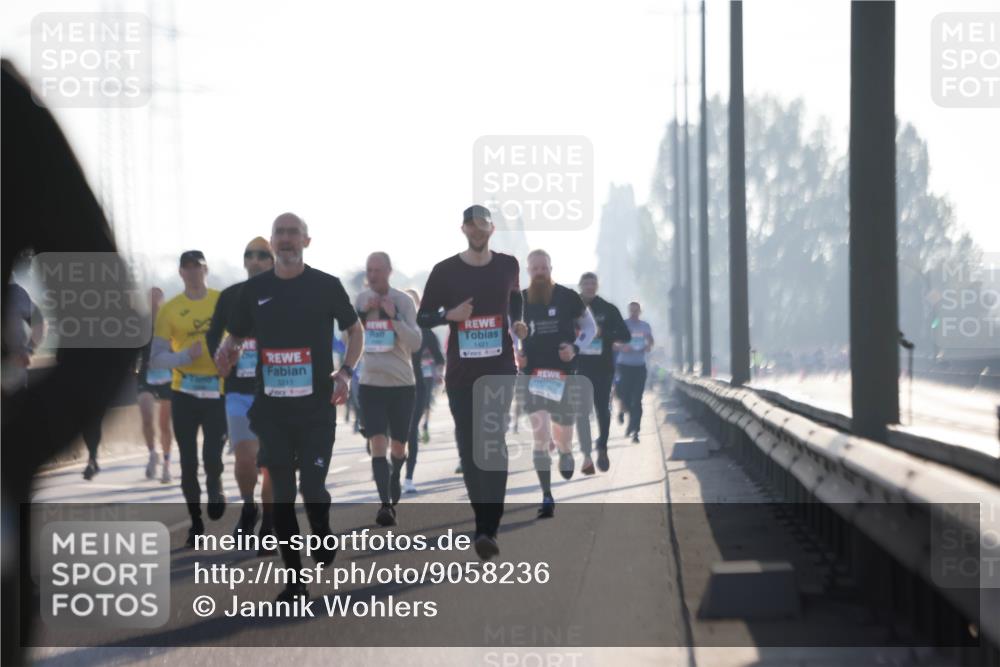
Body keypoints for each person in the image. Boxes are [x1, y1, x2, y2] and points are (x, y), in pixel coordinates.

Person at [215, 212, 364, 603]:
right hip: (273, 411)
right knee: (282, 495)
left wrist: (346, 372)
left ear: (306, 241)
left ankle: (321, 529)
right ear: (271, 241)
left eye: (292, 233)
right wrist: (226, 350)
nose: (285, 239)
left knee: (312, 488)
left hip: (316, 406)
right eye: (279, 233)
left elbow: (355, 331)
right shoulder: (255, 291)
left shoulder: (326, 286)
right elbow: (236, 335)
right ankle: (295, 580)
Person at [417, 204, 523, 560]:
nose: (477, 231)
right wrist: (450, 315)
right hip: (461, 374)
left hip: (500, 368)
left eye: (483, 225)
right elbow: (423, 317)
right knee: (469, 448)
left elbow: (517, 298)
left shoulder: (508, 265)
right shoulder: (445, 271)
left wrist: (518, 324)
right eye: (471, 225)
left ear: (491, 229)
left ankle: (487, 528)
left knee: (491, 440)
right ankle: (483, 519)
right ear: (463, 229)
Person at [512, 251, 596, 518]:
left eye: (543, 267)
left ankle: (565, 452)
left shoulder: (567, 297)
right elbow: (510, 333)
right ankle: (547, 495)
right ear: (529, 270)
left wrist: (574, 348)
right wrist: (517, 352)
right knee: (540, 436)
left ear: (551, 268)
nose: (539, 272)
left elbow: (591, 329)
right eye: (534, 268)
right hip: (534, 374)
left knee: (564, 434)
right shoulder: (520, 300)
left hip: (563, 374)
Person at [150, 250, 226, 547]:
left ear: (206, 270)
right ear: (181, 273)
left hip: (216, 390)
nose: (193, 272)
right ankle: (195, 522)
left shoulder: (221, 301)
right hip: (183, 391)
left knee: (212, 455)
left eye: (199, 267)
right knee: (189, 460)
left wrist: (231, 357)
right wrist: (184, 355)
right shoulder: (170, 309)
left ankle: (216, 485)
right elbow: (156, 359)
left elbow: (241, 339)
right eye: (188, 268)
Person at [205, 237, 276, 548]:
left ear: (273, 261)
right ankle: (250, 506)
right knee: (246, 460)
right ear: (244, 261)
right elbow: (213, 335)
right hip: (238, 391)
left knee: (272, 464)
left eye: (263, 255)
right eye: (250, 255)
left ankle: (270, 525)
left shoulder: (285, 294)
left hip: (277, 391)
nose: (256, 260)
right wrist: (221, 359)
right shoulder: (230, 296)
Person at [355, 252, 421, 525]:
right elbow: (352, 336)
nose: (372, 275)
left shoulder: (403, 301)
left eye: (377, 270)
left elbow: (415, 341)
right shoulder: (360, 300)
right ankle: (385, 506)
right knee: (377, 443)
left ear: (389, 271)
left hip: (401, 384)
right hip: (371, 383)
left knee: (398, 447)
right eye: (369, 270)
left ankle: (395, 477)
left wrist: (394, 318)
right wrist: (361, 315)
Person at [574, 272, 630, 473]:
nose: (589, 286)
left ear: (597, 286)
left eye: (593, 283)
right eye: (586, 283)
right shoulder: (571, 308)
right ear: (580, 285)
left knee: (602, 410)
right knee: (581, 412)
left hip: (603, 368)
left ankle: (603, 447)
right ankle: (587, 454)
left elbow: (626, 335)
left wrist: (603, 334)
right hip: (579, 368)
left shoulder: (608, 309)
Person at [403, 288, 444, 494]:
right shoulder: (392, 328)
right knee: (395, 433)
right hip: (393, 387)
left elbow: (439, 359)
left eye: (412, 304)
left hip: (418, 387)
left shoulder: (426, 333)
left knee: (411, 431)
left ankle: (408, 477)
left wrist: (438, 373)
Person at [135, 287, 174, 482]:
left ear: (162, 299)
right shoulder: (141, 322)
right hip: (146, 376)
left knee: (164, 424)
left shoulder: (171, 320)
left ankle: (167, 466)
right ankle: (152, 454)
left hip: (167, 376)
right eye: (150, 296)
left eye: (158, 295)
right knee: (146, 417)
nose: (154, 299)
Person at [616, 301, 654, 444]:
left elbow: (650, 341)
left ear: (640, 312)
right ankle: (627, 415)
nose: (633, 313)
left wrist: (648, 346)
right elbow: (614, 342)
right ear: (628, 311)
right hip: (624, 365)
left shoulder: (645, 326)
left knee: (637, 398)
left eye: (636, 311)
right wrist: (622, 347)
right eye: (631, 310)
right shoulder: (623, 325)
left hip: (639, 366)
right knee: (622, 394)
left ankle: (636, 431)